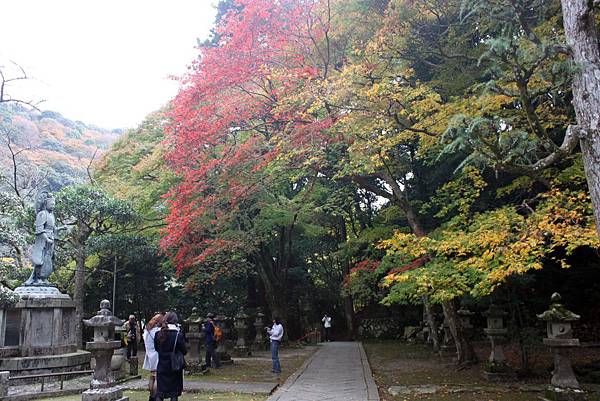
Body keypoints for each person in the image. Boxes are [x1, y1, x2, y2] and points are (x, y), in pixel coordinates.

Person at [154, 311, 187, 401]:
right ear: (175, 321)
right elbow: (184, 351)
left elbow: (156, 349)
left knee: (160, 392)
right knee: (174, 393)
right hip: (174, 366)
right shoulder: (177, 335)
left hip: (161, 365)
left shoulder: (158, 334)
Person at [143, 313, 164, 401]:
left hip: (149, 354)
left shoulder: (146, 331)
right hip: (156, 355)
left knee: (152, 376)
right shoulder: (157, 331)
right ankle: (156, 396)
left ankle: (151, 396)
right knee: (157, 377)